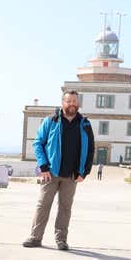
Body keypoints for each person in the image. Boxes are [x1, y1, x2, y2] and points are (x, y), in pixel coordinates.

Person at [23, 90, 94, 251]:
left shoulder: (85, 124)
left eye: (75, 101)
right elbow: (38, 143)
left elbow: (90, 149)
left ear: (78, 104)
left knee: (65, 208)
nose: (72, 104)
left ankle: (61, 240)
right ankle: (35, 237)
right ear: (63, 102)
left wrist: (85, 172)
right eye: (69, 101)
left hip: (72, 176)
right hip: (51, 173)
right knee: (43, 206)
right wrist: (44, 166)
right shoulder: (51, 121)